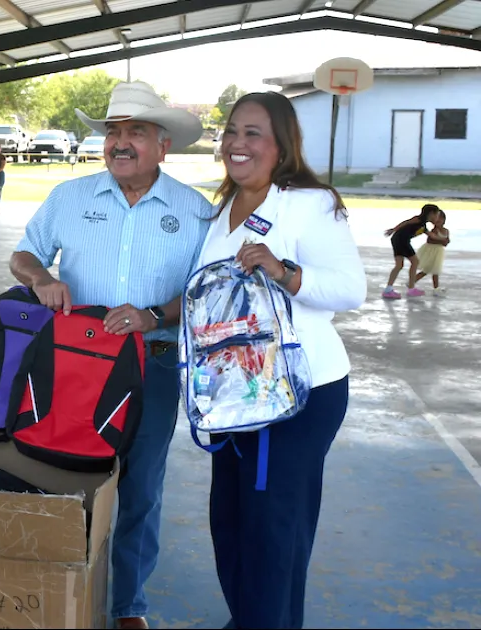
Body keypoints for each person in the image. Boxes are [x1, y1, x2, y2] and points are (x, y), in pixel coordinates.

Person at [9, 81, 213, 630]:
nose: (121, 143)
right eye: (113, 132)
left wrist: (153, 315)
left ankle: (128, 604)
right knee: (66, 470)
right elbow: (23, 253)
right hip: (76, 361)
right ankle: (56, 581)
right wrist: (40, 279)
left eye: (136, 133)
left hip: (156, 365)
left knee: (142, 487)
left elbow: (202, 290)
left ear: (163, 145)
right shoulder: (69, 197)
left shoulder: (195, 212)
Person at [200, 91, 366, 630]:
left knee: (274, 529)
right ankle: (251, 618)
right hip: (234, 396)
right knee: (230, 523)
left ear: (281, 145)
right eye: (231, 131)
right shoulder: (222, 209)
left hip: (299, 394)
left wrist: (285, 271)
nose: (237, 143)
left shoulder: (307, 203)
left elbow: (350, 289)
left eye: (253, 133)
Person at [382, 203, 439, 299]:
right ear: (431, 214)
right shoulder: (418, 219)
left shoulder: (423, 226)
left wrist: (443, 238)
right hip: (401, 240)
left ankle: (388, 289)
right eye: (436, 214)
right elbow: (405, 222)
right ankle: (411, 289)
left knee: (399, 265)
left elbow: (432, 235)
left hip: (398, 240)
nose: (437, 217)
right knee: (415, 261)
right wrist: (393, 229)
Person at [414, 208, 449, 295]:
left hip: (438, 252)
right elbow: (430, 240)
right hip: (431, 251)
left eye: (440, 219)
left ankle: (412, 281)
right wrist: (441, 241)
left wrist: (444, 241)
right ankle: (436, 289)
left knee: (431, 270)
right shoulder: (434, 230)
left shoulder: (446, 231)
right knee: (430, 270)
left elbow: (446, 242)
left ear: (444, 220)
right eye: (437, 218)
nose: (438, 221)